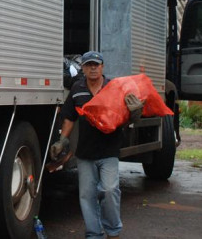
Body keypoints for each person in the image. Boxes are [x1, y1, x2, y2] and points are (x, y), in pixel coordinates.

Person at [50, 51, 143, 239]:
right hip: (85, 152)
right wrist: (63, 140)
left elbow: (123, 118)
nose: (93, 68)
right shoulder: (77, 89)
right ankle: (94, 234)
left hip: (109, 150)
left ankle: (113, 231)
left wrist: (135, 114)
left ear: (102, 67)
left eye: (96, 64)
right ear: (83, 68)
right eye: (88, 65)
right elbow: (69, 117)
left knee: (109, 190)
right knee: (87, 195)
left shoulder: (114, 88)